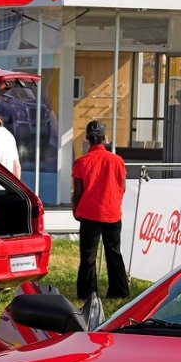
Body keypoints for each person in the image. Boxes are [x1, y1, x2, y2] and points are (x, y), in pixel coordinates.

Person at [72, 119, 129, 301]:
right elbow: (123, 187)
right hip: (112, 213)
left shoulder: (81, 162)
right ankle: (119, 291)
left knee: (88, 256)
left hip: (89, 214)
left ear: (88, 139)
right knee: (114, 253)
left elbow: (77, 192)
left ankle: (88, 294)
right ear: (105, 138)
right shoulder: (117, 160)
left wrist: (75, 210)